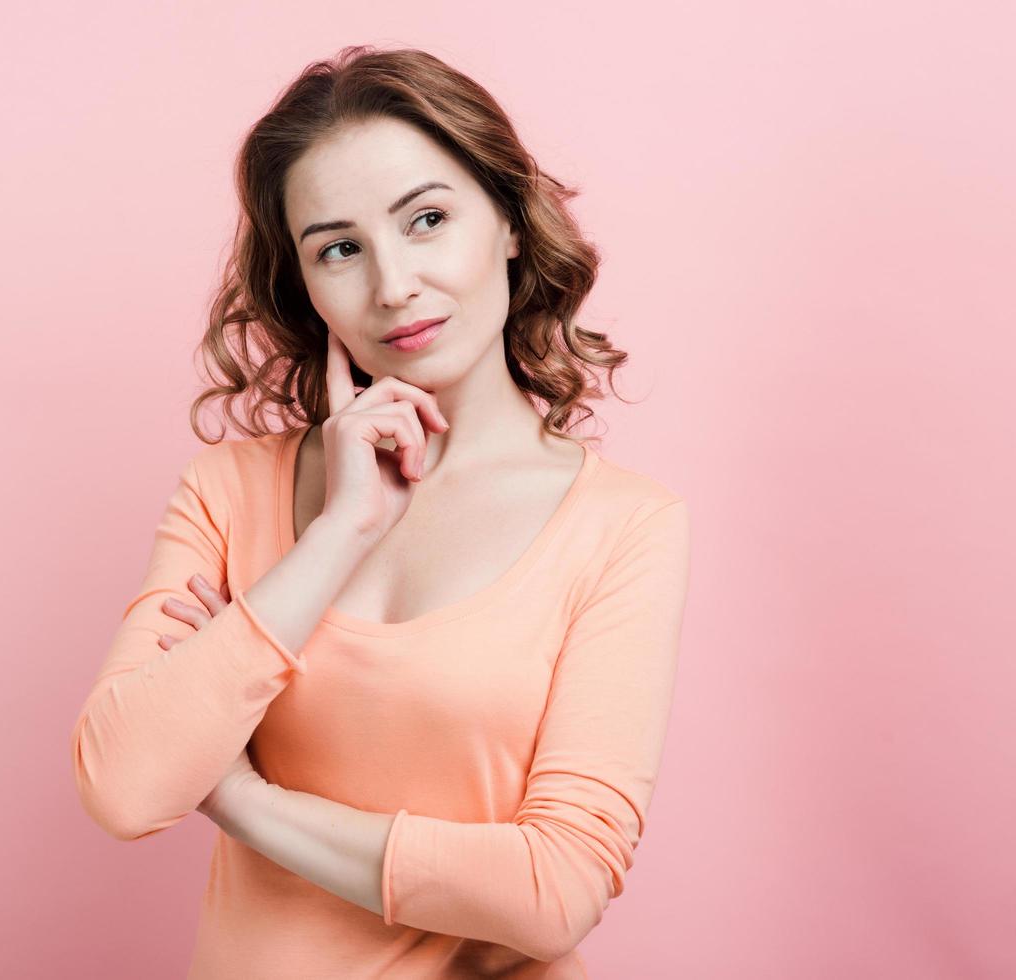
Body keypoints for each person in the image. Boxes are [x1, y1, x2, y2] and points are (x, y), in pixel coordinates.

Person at [70, 44, 692, 979]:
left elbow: (557, 891)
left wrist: (238, 798)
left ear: (512, 225)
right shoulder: (230, 491)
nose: (392, 282)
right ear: (306, 284)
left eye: (428, 220)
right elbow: (123, 788)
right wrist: (339, 531)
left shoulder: (623, 527)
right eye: (339, 247)